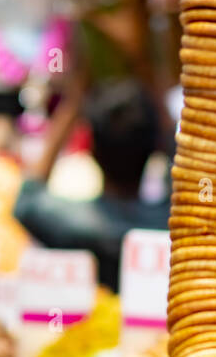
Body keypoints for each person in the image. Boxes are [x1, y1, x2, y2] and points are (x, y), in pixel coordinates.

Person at [14, 78, 169, 290]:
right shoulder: (167, 227)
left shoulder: (76, 226)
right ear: (156, 148)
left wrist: (72, 103)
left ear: (91, 149)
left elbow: (28, 198)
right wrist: (155, 87)